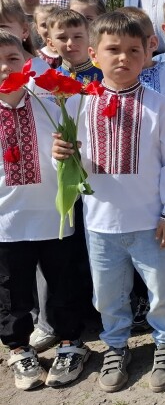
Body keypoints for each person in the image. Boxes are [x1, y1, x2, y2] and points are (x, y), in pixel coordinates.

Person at [51, 12, 165, 393]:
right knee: (108, 294)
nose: (123, 58)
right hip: (101, 223)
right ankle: (115, 345)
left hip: (151, 221)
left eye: (133, 50)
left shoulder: (159, 106)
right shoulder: (78, 105)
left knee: (162, 289)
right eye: (113, 50)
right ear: (94, 54)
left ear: (147, 54)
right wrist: (59, 155)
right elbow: (69, 164)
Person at [0, 30, 89, 391]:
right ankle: (19, 348)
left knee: (63, 280)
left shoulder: (50, 103)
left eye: (12, 59)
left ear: (28, 62)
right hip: (6, 219)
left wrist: (64, 155)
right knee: (11, 288)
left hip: (54, 214)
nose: (5, 68)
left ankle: (71, 343)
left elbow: (74, 154)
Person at [117, 7, 165, 334]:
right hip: (132, 187)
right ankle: (140, 299)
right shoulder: (114, 84)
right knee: (135, 246)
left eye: (137, 45)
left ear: (152, 42)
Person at [46, 9, 103, 84]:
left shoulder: (105, 79)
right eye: (62, 38)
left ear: (90, 38)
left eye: (77, 37)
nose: (70, 43)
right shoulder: (49, 80)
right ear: (51, 44)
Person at [33, 3, 61, 68]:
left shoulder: (72, 54)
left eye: (53, 24)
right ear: (37, 29)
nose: (49, 29)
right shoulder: (36, 57)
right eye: (44, 25)